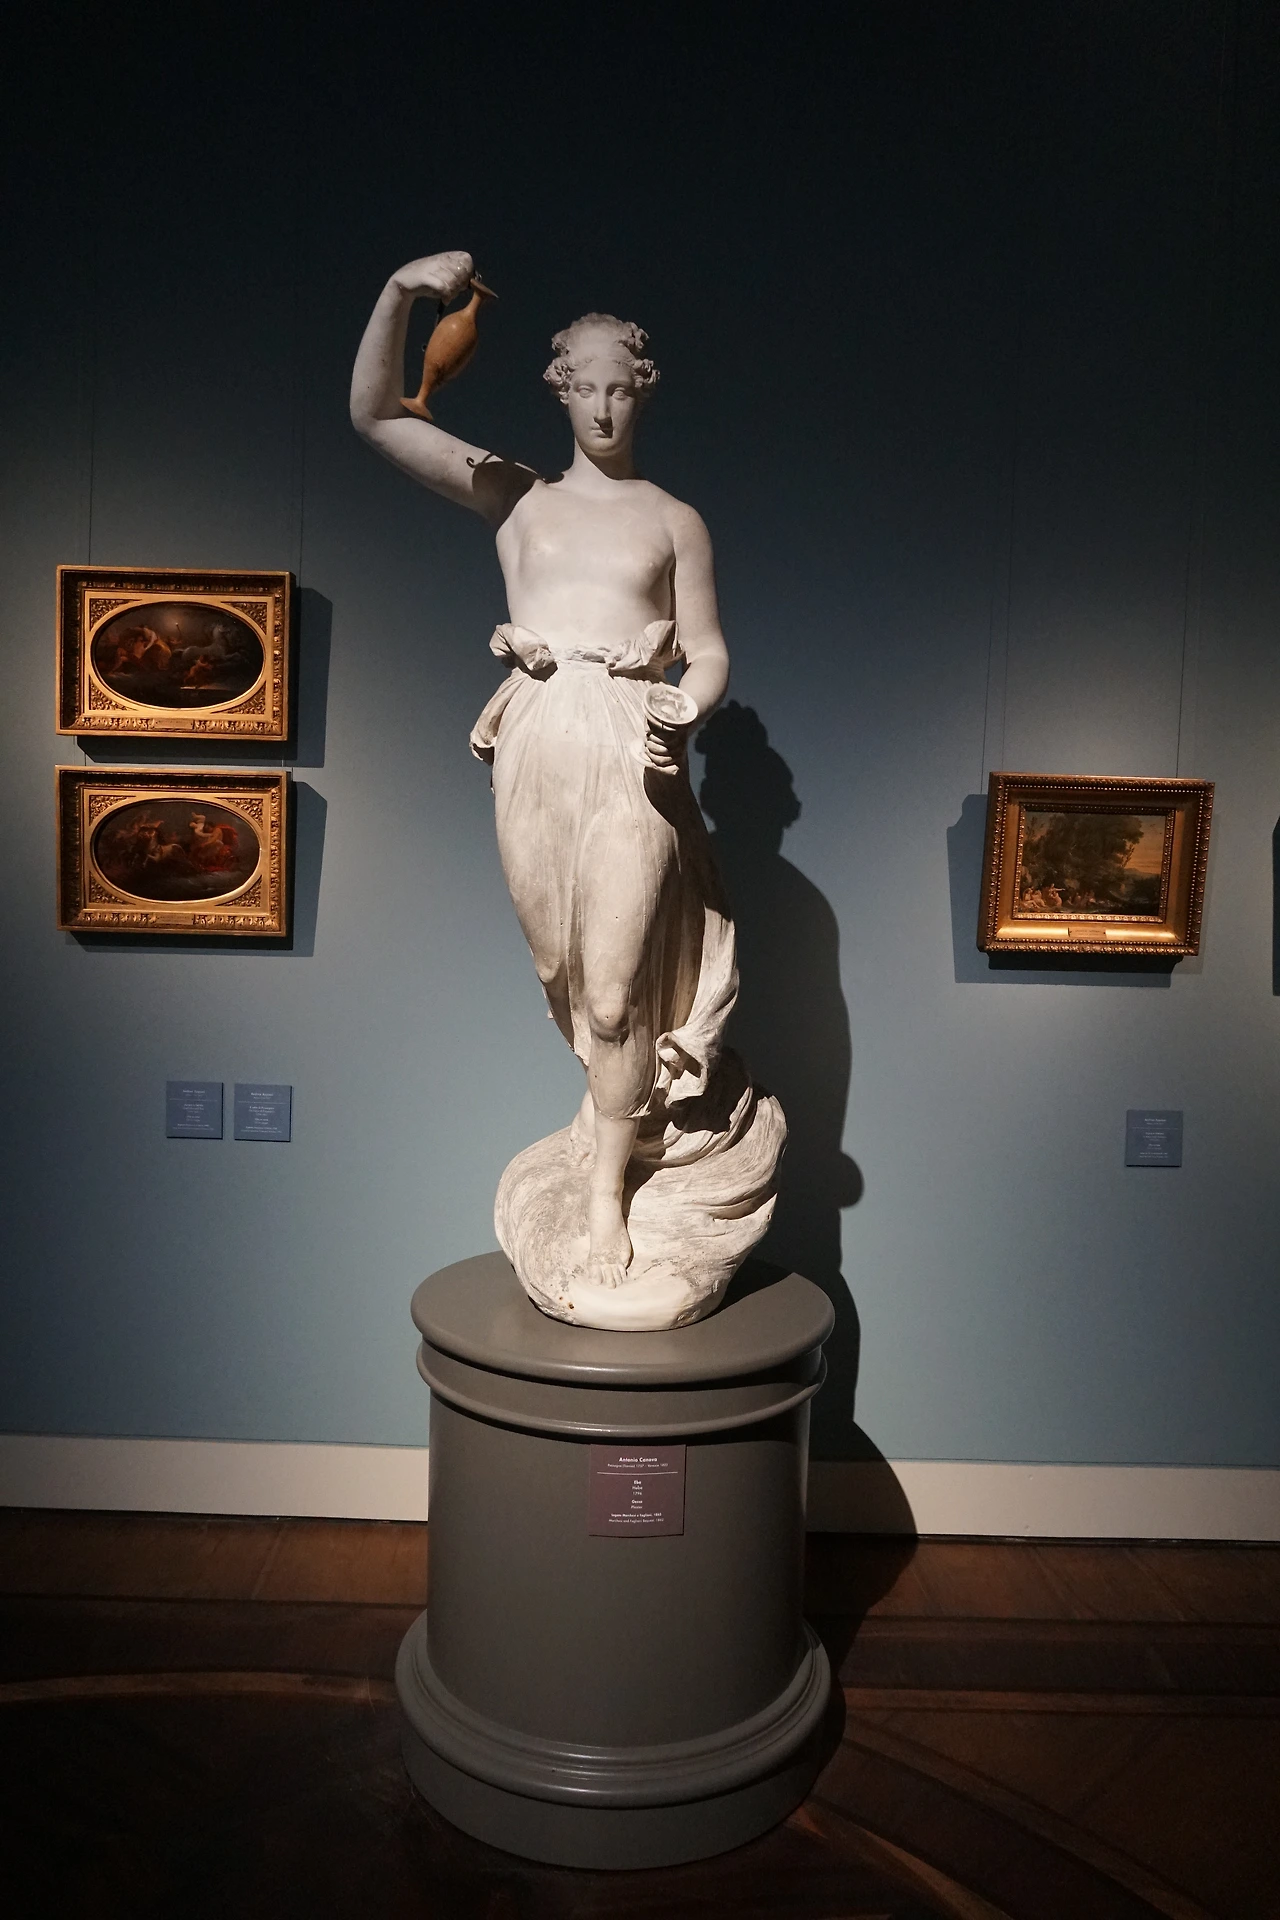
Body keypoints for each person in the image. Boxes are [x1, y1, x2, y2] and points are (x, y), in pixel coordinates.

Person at [351, 251, 745, 1292]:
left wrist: (687, 702)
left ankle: (608, 1190)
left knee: (613, 994)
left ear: (643, 391)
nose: (605, 409)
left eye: (623, 390)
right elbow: (377, 419)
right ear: (559, 389)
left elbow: (707, 650)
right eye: (587, 389)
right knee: (565, 978)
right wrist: (400, 293)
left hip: (631, 742)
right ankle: (611, 1114)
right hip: (534, 739)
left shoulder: (674, 520)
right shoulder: (516, 497)